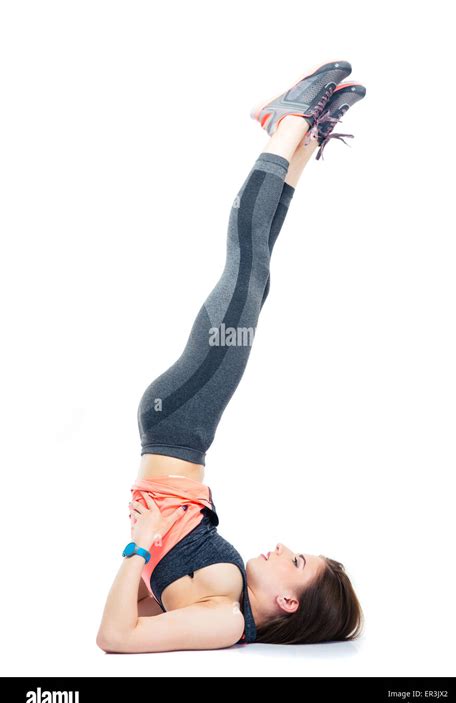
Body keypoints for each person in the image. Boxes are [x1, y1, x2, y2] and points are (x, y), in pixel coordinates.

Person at [96, 60, 366, 653]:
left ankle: (286, 123)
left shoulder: (227, 623)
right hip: (185, 433)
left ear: (289, 602)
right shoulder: (226, 598)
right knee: (256, 280)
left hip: (177, 427)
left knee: (244, 274)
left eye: (295, 560)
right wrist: (153, 558)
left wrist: (140, 545)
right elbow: (156, 595)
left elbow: (115, 637)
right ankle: (303, 143)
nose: (280, 548)